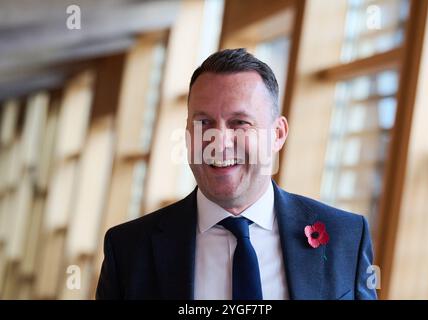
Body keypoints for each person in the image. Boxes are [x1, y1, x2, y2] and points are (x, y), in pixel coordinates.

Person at [96, 48, 377, 300]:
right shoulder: (128, 251)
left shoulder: (346, 238)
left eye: (239, 122)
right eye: (204, 123)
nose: (219, 141)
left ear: (277, 134)